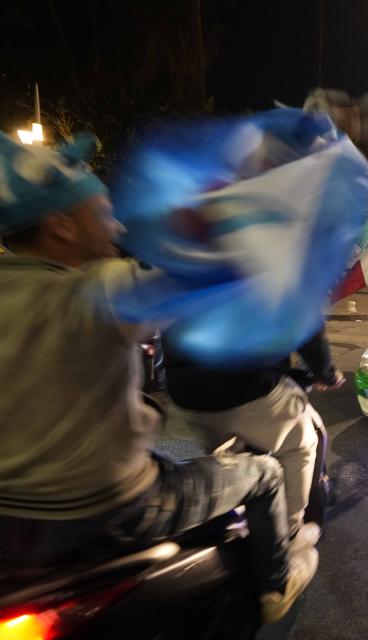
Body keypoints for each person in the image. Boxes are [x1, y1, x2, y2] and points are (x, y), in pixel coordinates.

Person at [0, 133, 319, 623]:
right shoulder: (96, 289)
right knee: (266, 473)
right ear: (61, 225)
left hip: (13, 521)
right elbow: (210, 267)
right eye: (101, 211)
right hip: (112, 509)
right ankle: (277, 584)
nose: (116, 224)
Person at [164, 326, 344, 534]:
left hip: (181, 392)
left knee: (202, 451)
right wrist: (329, 375)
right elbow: (309, 332)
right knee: (301, 445)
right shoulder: (282, 291)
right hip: (247, 385)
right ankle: (289, 532)